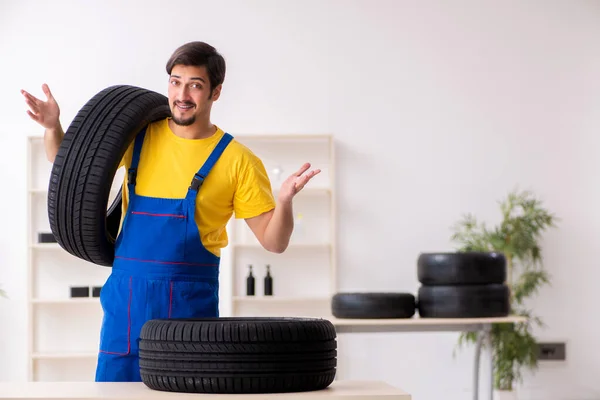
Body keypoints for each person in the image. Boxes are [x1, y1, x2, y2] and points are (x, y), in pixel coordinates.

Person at [21, 41, 320, 382]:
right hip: (125, 310)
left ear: (215, 92)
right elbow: (67, 164)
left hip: (189, 316)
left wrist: (284, 202)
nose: (182, 94)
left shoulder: (238, 160)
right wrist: (51, 126)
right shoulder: (138, 137)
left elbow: (274, 241)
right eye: (176, 81)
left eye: (195, 84)